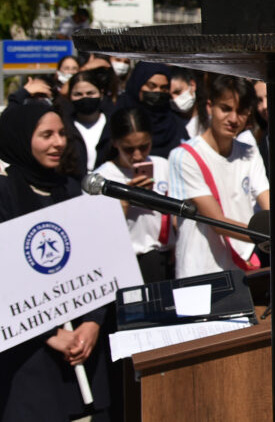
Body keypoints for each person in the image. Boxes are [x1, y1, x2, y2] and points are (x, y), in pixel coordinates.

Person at [0, 103, 113, 421]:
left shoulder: (73, 189)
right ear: (20, 139)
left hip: (83, 352)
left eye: (62, 133)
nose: (58, 143)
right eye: (46, 135)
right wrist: (50, 334)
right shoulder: (4, 193)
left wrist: (92, 322)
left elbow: (97, 263)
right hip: (28, 359)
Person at [167, 75, 270, 278]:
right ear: (209, 107)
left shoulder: (249, 151)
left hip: (242, 267)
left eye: (241, 111)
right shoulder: (184, 156)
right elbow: (217, 221)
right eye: (226, 109)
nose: (233, 119)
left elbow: (267, 198)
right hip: (199, 270)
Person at [93, 107, 176, 282]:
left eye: (144, 147)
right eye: (129, 149)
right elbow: (98, 235)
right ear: (115, 143)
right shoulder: (103, 178)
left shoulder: (162, 166)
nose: (138, 156)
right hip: (128, 263)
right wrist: (125, 200)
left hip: (165, 258)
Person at [114, 62, 188, 158]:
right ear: (138, 84)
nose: (158, 91)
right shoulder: (121, 117)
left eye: (163, 88)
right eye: (152, 86)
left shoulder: (175, 123)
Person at [66, 70, 111, 172]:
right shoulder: (64, 127)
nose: (85, 98)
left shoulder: (113, 125)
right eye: (78, 94)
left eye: (90, 93)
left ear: (101, 93)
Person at [169, 67, 202, 138]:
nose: (174, 99)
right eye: (170, 96)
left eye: (178, 92)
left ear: (192, 85)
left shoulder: (211, 119)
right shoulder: (170, 126)